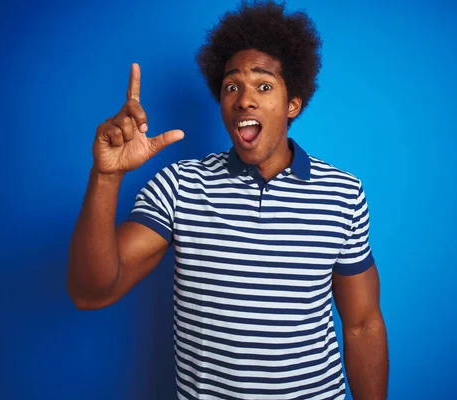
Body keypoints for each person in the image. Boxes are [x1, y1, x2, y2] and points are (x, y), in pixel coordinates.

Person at [67, 1, 388, 399]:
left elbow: (362, 323)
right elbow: (91, 292)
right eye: (231, 86)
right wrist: (106, 176)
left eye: (264, 85)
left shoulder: (343, 193)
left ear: (293, 104)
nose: (244, 99)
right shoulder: (179, 186)